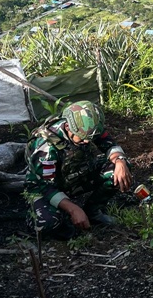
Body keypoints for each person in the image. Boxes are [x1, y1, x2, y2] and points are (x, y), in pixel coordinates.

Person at [25, 100, 133, 240]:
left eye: (90, 138)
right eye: (82, 140)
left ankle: (93, 211)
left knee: (117, 171)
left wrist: (120, 161)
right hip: (44, 187)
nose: (87, 142)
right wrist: (73, 208)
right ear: (68, 127)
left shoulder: (87, 128)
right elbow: (46, 187)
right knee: (46, 223)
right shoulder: (46, 147)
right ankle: (64, 221)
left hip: (73, 174)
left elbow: (109, 144)